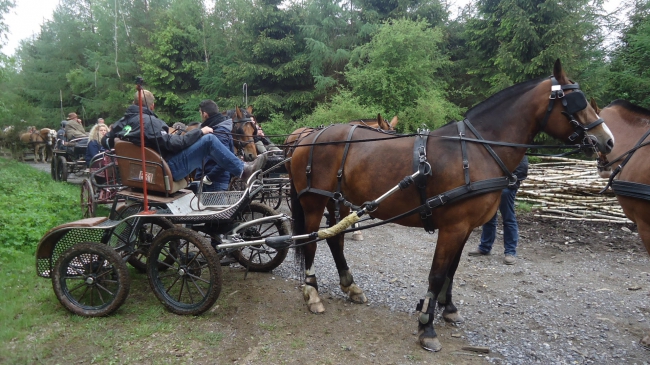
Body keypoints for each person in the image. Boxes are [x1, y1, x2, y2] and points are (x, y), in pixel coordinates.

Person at [102, 89, 267, 187]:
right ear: (152, 106)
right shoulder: (150, 123)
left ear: (134, 103)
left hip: (138, 173)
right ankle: (242, 170)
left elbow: (106, 142)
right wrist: (199, 132)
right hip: (164, 171)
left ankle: (240, 168)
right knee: (209, 140)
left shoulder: (120, 124)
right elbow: (173, 144)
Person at [468, 156, 529, 265]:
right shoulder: (499, 144)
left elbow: (522, 169)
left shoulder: (517, 146)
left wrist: (510, 184)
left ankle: (510, 252)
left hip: (507, 187)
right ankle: (485, 247)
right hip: (492, 186)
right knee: (489, 217)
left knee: (508, 218)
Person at [193, 100, 235, 192]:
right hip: (217, 181)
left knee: (213, 207)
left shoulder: (218, 132)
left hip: (213, 183)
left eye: (200, 113)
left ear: (205, 114)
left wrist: (209, 177)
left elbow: (226, 159)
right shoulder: (223, 129)